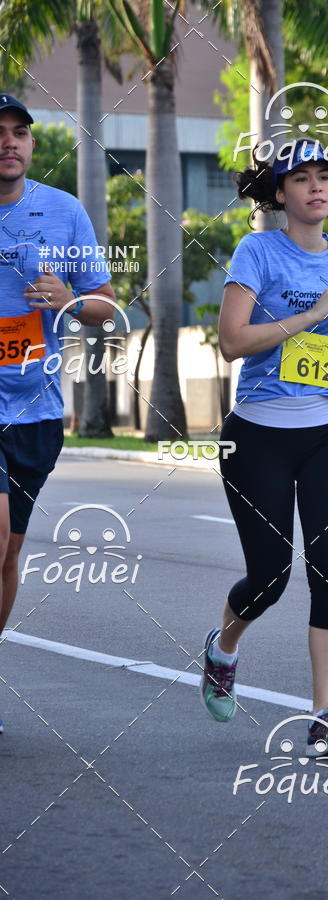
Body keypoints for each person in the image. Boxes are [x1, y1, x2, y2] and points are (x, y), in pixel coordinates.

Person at [201, 138, 328, 756]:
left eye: (325, 176)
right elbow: (231, 342)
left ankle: (325, 715)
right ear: (279, 194)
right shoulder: (257, 250)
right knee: (271, 576)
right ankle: (223, 648)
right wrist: (310, 318)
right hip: (258, 436)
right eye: (301, 178)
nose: (317, 187)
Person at [0, 95, 116, 732]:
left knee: (9, 555)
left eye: (20, 134)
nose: (9, 143)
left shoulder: (62, 212)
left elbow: (105, 307)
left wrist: (68, 299)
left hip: (35, 410)